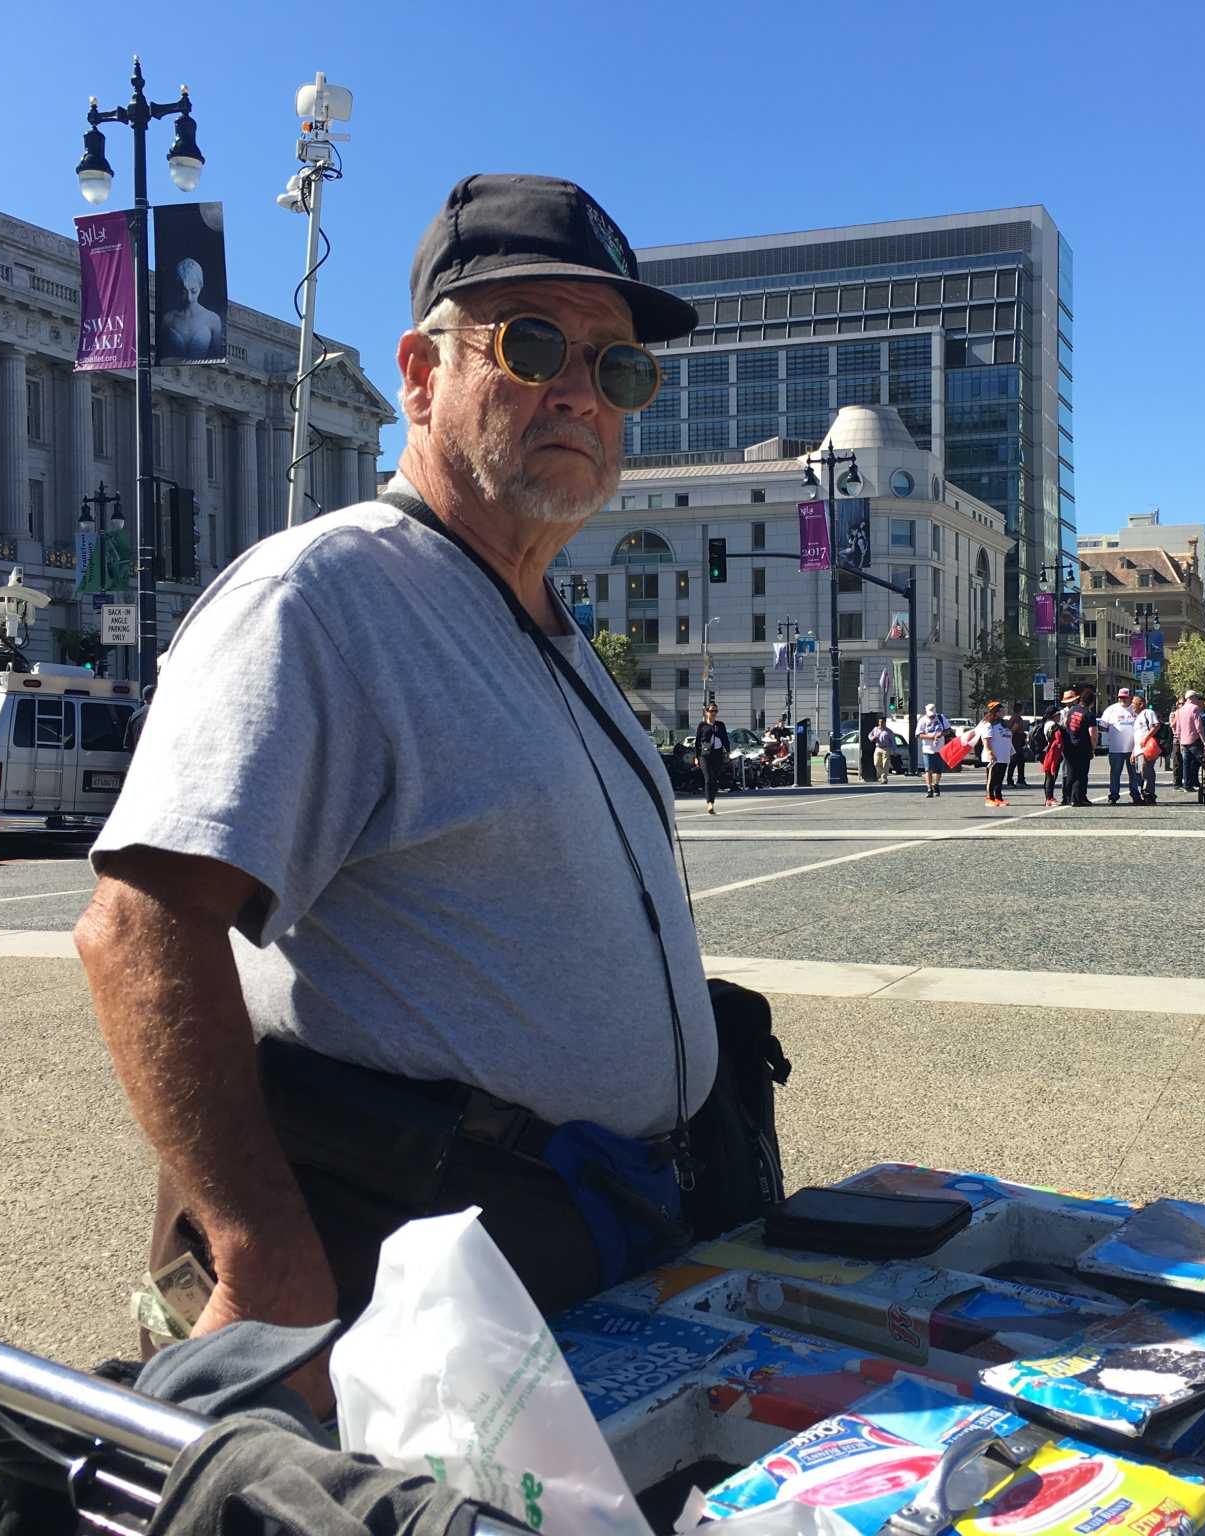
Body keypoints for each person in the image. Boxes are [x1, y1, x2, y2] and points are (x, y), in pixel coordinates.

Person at [76, 176, 735, 1384]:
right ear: (421, 376)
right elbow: (138, 928)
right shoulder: (322, 599)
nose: (581, 393)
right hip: (400, 1260)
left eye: (618, 369)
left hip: (571, 1239)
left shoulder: (543, 616)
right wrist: (255, 1245)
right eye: (533, 344)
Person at [160, 257, 226, 359]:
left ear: (201, 286)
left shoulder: (213, 319)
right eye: (183, 292)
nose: (189, 298)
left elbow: (216, 355)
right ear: (177, 289)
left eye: (194, 291)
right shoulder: (168, 319)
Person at [969, 702, 1013, 807]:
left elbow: (1007, 738)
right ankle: (990, 798)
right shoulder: (989, 724)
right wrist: (989, 751)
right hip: (994, 755)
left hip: (1004, 755)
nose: (1004, 712)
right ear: (996, 712)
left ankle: (998, 797)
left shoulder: (1003, 724)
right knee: (992, 777)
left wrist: (1011, 751)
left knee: (1000, 777)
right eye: (1002, 711)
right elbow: (986, 739)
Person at [1101, 687, 1140, 804]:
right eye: (1121, 697)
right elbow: (1103, 725)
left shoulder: (1135, 710)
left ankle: (1135, 795)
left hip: (1133, 749)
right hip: (1115, 748)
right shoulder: (1111, 709)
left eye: (1125, 697)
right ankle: (1113, 795)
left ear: (1130, 697)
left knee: (1134, 774)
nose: (1123, 699)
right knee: (1115, 773)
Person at [1060, 687, 1097, 807]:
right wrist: (1093, 747)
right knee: (1081, 774)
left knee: (1071, 773)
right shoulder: (1089, 714)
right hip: (1083, 747)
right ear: (1092, 702)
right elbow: (1092, 733)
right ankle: (1079, 798)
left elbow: (1066, 724)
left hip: (1070, 745)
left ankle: (1068, 797)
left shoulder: (1072, 710)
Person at [697, 701, 731, 813]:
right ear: (706, 712)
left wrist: (728, 752)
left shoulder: (720, 725)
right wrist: (696, 757)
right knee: (708, 779)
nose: (714, 713)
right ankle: (709, 804)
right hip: (705, 755)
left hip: (717, 754)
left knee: (714, 779)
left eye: (716, 711)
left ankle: (712, 801)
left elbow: (725, 739)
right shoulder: (702, 725)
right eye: (712, 711)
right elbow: (697, 742)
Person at [1170, 691, 1205, 792]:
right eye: (1196, 697)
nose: (1197, 700)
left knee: (1186, 763)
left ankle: (1187, 785)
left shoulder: (1180, 710)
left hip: (1183, 741)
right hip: (1194, 740)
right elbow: (1198, 727)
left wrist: (1178, 739)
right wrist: (1204, 742)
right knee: (1202, 761)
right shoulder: (1195, 708)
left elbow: (1178, 727)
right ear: (1191, 698)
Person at [1130, 692, 1161, 804]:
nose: (1132, 705)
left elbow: (1156, 726)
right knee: (1140, 773)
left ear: (1141, 704)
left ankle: (1149, 795)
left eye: (1134, 703)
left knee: (1146, 771)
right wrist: (1133, 751)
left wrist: (1145, 738)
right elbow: (1137, 737)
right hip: (1139, 750)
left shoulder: (1148, 712)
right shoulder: (1137, 717)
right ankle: (1144, 793)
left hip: (1147, 748)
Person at [918, 702, 952, 797]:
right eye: (930, 716)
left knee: (938, 770)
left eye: (933, 716)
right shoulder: (922, 720)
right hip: (927, 749)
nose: (931, 717)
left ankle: (936, 784)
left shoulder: (941, 718)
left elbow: (948, 730)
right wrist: (930, 736)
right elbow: (919, 734)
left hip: (940, 749)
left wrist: (941, 734)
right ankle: (929, 788)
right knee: (928, 769)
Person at [1007, 710, 1030, 787]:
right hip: (1016, 744)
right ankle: (1011, 781)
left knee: (1019, 762)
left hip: (1016, 744)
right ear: (1021, 709)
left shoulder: (1013, 718)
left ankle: (1020, 780)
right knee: (1014, 762)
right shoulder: (1017, 718)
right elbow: (1013, 729)